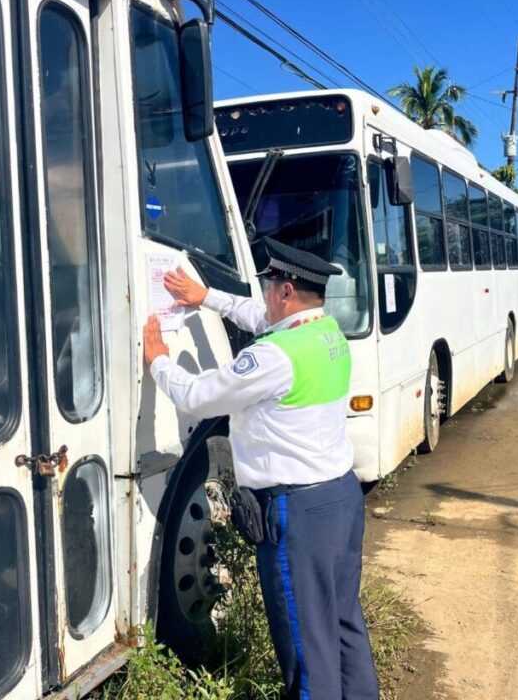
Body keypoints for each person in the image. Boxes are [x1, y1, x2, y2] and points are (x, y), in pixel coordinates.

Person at [142, 238, 379, 700]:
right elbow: (257, 316)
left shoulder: (273, 357)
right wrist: (204, 296)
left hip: (299, 516)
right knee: (343, 621)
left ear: (285, 292)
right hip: (341, 501)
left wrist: (158, 362)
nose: (265, 295)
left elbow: (198, 396)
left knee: (307, 649)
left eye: (270, 286)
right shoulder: (327, 332)